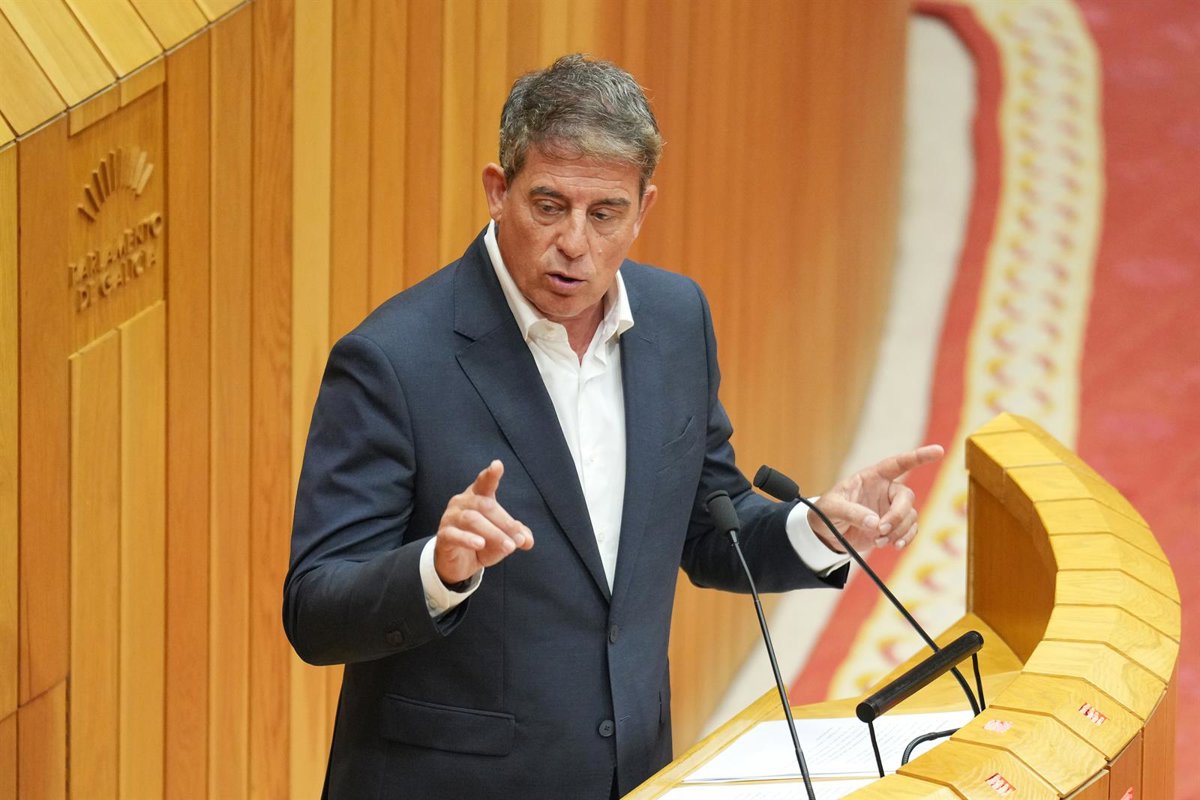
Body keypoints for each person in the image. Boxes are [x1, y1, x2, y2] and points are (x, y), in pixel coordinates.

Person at [284, 54, 942, 800]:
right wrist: (437, 568)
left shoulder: (676, 320)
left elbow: (710, 523)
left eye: (604, 215)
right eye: (549, 206)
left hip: (630, 775)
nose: (575, 243)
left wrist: (818, 527)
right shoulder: (393, 360)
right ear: (497, 192)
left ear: (643, 209)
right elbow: (315, 609)